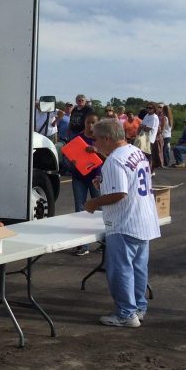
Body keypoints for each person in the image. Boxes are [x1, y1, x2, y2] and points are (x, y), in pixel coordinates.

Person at [83, 119, 160, 327]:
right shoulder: (136, 153)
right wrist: (103, 183)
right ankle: (138, 307)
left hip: (125, 222)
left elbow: (119, 194)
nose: (94, 143)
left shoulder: (115, 159)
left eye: (96, 138)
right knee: (138, 268)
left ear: (107, 138)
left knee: (121, 270)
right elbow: (129, 183)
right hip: (143, 220)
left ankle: (126, 313)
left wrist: (93, 202)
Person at [65, 113, 102, 256]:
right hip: (79, 177)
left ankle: (103, 242)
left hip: (96, 177)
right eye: (88, 123)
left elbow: (109, 155)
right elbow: (68, 154)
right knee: (80, 209)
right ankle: (83, 244)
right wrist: (72, 162)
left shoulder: (100, 138)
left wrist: (97, 151)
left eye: (93, 123)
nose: (90, 126)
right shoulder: (78, 138)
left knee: (99, 209)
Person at [140, 102, 160, 170]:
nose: (148, 109)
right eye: (147, 108)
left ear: (154, 109)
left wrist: (143, 126)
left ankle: (150, 171)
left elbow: (147, 129)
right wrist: (143, 126)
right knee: (144, 155)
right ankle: (146, 169)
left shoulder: (154, 117)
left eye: (150, 108)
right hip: (144, 138)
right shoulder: (146, 116)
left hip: (150, 139)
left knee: (148, 156)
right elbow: (142, 126)